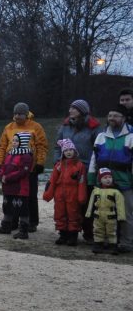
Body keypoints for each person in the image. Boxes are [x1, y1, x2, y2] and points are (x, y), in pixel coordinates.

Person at [52, 99, 100, 242]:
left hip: (85, 168)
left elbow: (97, 148)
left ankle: (88, 232)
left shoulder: (93, 128)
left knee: (84, 202)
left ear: (82, 111)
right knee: (65, 201)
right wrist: (56, 162)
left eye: (74, 108)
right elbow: (57, 147)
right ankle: (65, 232)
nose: (70, 110)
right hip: (65, 168)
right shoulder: (65, 127)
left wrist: (92, 168)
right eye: (70, 107)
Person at [87, 105, 133, 254]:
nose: (112, 118)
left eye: (116, 115)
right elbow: (94, 158)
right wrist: (91, 178)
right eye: (110, 115)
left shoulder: (131, 136)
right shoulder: (101, 136)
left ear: (124, 118)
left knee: (126, 213)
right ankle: (104, 240)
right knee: (104, 211)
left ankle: (126, 242)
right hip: (103, 182)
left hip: (124, 180)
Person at [0, 102, 47, 231]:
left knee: (29, 195)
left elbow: (42, 146)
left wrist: (40, 163)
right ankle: (12, 221)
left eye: (20, 114)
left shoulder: (36, 127)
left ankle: (31, 222)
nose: (17, 116)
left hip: (29, 167)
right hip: (11, 166)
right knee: (12, 194)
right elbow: (2, 146)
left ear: (26, 114)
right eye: (15, 114)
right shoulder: (9, 127)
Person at [43, 139, 87, 246]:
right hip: (60, 194)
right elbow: (52, 180)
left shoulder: (79, 165)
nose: (68, 152)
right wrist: (48, 193)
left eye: (71, 149)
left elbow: (82, 181)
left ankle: (73, 237)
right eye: (66, 150)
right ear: (63, 152)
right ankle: (63, 235)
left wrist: (81, 196)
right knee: (60, 213)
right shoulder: (58, 165)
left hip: (73, 193)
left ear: (75, 151)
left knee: (73, 214)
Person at [0, 132, 33, 239]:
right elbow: (3, 167)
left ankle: (24, 231)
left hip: (20, 188)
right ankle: (6, 227)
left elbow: (23, 172)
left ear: (23, 142)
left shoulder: (26, 156)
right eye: (13, 140)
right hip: (8, 187)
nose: (14, 142)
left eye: (16, 141)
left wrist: (8, 177)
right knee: (7, 206)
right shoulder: (10, 153)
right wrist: (1, 175)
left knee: (22, 209)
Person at [86, 168, 126, 254]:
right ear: (100, 180)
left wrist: (121, 216)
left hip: (111, 215)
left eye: (109, 177)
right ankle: (98, 244)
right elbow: (91, 203)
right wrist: (88, 213)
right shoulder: (96, 190)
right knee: (97, 230)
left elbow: (120, 205)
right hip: (98, 215)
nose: (108, 179)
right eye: (105, 178)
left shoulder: (116, 192)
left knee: (112, 231)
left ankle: (113, 246)